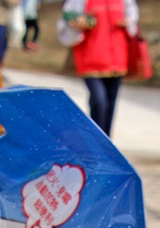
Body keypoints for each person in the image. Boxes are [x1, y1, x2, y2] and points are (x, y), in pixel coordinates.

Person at [66, 0, 140, 136]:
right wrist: (77, 25)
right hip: (90, 60)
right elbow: (67, 19)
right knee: (99, 101)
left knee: (110, 104)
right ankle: (96, 142)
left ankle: (106, 144)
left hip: (117, 59)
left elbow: (133, 19)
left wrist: (128, 20)